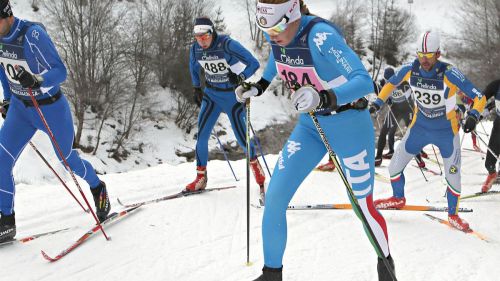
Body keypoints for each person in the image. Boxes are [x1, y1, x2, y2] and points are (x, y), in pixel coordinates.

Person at [235, 1, 395, 280]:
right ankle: (272, 274)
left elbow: (363, 81)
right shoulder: (279, 35)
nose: (272, 35)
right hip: (311, 127)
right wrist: (259, 86)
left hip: (349, 126)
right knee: (274, 197)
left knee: (362, 205)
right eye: (265, 29)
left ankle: (386, 268)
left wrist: (324, 97)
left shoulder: (321, 36)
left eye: (276, 27)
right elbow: (278, 56)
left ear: (293, 15)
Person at [0, 0, 110, 242]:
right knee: (1, 159)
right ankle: (6, 220)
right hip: (20, 109)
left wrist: (37, 79)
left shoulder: (32, 35)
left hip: (50, 108)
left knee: (66, 158)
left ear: (6, 15)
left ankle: (97, 186)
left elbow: (60, 72)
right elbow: (2, 68)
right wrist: (8, 99)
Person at [371, 31, 486, 232]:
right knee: (394, 167)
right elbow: (391, 84)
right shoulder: (410, 69)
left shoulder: (449, 72)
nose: (424, 60)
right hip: (419, 128)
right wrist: (378, 102)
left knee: (453, 175)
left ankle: (453, 215)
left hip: (445, 132)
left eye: (429, 55)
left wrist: (473, 115)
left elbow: (479, 97)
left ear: (438, 54)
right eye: (420, 55)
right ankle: (398, 198)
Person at [187, 17, 266, 193]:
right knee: (202, 136)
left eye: (205, 36)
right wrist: (196, 87)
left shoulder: (227, 44)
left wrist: (240, 77)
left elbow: (253, 63)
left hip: (232, 96)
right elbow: (193, 67)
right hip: (212, 95)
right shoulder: (195, 49)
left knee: (242, 139)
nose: (202, 41)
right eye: (197, 37)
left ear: (212, 32)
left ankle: (258, 172)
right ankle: (201, 178)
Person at [370, 67, 426, 167]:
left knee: (411, 132)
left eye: (391, 79)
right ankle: (378, 157)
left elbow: (412, 93)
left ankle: (418, 157)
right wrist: (388, 100)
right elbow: (383, 95)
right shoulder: (385, 83)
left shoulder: (403, 81)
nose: (390, 81)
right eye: (387, 80)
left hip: (407, 108)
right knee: (384, 131)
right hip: (395, 108)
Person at [480, 79, 500, 192]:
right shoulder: (496, 85)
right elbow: (481, 99)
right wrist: (475, 114)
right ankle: (492, 174)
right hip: (499, 124)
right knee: (489, 161)